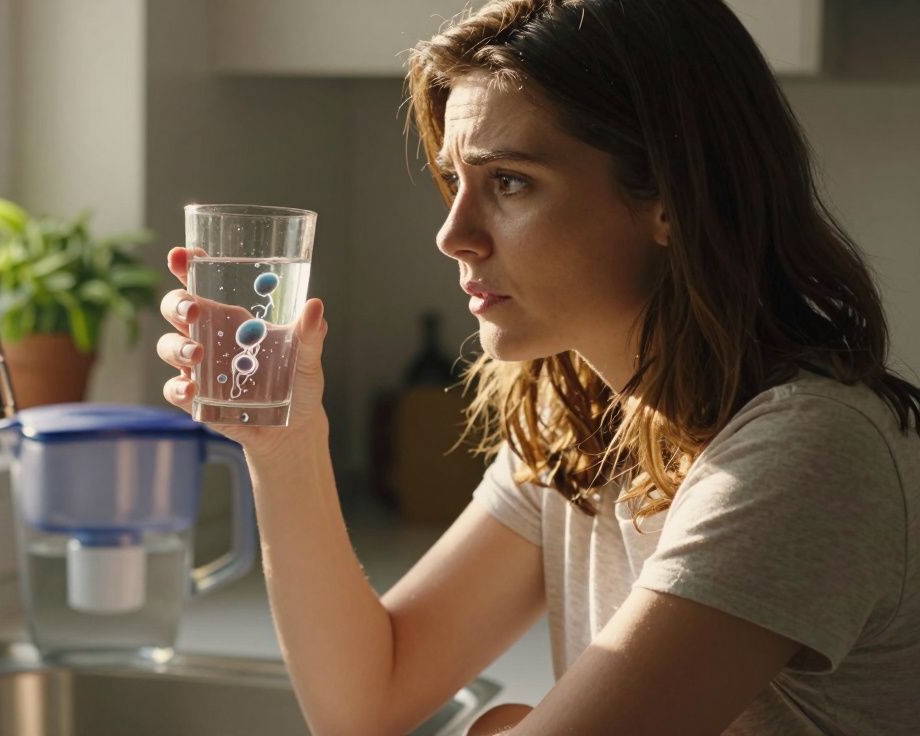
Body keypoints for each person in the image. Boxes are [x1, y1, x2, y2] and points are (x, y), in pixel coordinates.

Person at [156, 1, 920, 733]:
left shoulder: (808, 453)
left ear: (672, 199)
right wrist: (285, 444)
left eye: (510, 182)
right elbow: (366, 700)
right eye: (455, 182)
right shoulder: (579, 413)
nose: (454, 235)